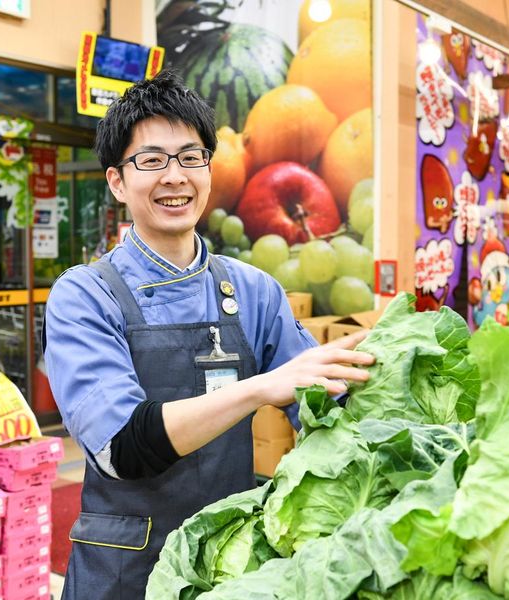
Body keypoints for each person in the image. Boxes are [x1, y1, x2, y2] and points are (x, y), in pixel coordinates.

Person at [43, 70, 375, 599]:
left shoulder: (254, 291)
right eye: (151, 161)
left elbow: (326, 412)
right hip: (124, 572)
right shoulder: (84, 295)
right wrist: (259, 388)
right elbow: (124, 447)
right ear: (116, 182)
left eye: (191, 157)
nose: (174, 177)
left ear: (209, 169)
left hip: (231, 565)